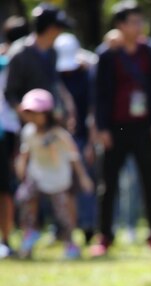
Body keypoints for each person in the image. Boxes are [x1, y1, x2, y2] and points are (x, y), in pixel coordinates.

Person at [91, 0, 151, 256]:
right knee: (108, 184)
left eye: (140, 20)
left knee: (150, 182)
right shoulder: (107, 54)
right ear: (120, 25)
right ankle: (105, 236)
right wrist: (101, 127)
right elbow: (99, 94)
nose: (139, 26)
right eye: (133, 21)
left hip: (144, 126)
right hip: (115, 127)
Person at [14, 89, 93, 259]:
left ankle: (70, 244)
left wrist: (83, 177)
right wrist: (21, 167)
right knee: (24, 198)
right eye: (29, 113)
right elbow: (25, 153)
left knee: (64, 214)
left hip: (58, 179)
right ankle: (30, 233)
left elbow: (74, 156)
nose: (33, 118)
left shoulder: (59, 134)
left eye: (36, 113)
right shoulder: (28, 132)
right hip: (37, 175)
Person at [54, 32, 98, 244]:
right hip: (58, 140)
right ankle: (61, 228)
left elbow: (91, 110)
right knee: (59, 185)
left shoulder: (87, 75)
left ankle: (88, 227)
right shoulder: (53, 75)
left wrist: (91, 142)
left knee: (85, 183)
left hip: (81, 137)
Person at [4, 4, 75, 129]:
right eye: (58, 28)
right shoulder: (20, 54)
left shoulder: (52, 52)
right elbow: (10, 92)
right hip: (27, 127)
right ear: (50, 29)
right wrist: (28, 117)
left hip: (50, 122)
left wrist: (66, 108)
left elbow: (54, 82)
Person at [0, 17, 30, 257]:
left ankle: (8, 238)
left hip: (10, 131)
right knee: (7, 188)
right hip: (9, 131)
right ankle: (7, 238)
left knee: (9, 187)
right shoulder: (17, 60)